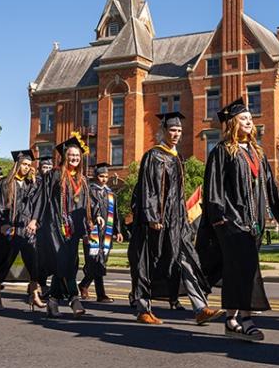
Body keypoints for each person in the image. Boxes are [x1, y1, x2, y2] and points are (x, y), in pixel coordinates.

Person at [200, 99, 279, 341]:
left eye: (250, 118)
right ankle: (247, 319)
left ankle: (230, 319)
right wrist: (219, 218)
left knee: (237, 270)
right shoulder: (222, 151)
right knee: (248, 269)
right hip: (231, 221)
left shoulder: (257, 152)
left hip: (254, 222)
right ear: (232, 123)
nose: (249, 121)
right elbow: (214, 187)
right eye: (243, 118)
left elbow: (270, 185)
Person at [130, 112, 224, 325]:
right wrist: (152, 216)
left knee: (188, 259)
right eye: (172, 130)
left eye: (179, 130)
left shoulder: (176, 158)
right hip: (156, 220)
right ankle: (143, 308)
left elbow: (179, 194)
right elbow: (148, 189)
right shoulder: (153, 155)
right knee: (149, 262)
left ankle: (200, 308)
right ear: (163, 131)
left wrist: (183, 220)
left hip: (177, 220)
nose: (176, 134)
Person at [29, 134, 99, 318]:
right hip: (54, 225)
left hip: (73, 229)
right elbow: (42, 198)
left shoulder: (83, 180)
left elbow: (88, 204)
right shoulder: (55, 174)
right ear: (64, 156)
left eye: (77, 155)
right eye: (71, 155)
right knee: (62, 262)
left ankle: (52, 301)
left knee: (70, 263)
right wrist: (34, 220)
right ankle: (74, 300)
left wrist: (92, 220)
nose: (74, 158)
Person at [0, 149, 41, 311]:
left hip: (26, 230)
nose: (26, 167)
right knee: (4, 264)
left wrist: (34, 182)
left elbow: (35, 203)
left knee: (33, 263)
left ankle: (34, 295)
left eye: (29, 165)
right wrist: (4, 225)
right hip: (10, 230)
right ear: (17, 165)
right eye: (24, 164)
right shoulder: (6, 183)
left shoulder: (29, 184)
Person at [79, 162, 122, 304]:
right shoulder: (90, 191)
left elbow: (115, 213)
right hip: (93, 232)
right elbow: (86, 209)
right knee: (95, 262)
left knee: (101, 262)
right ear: (96, 176)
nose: (104, 179)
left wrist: (118, 231)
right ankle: (100, 294)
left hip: (107, 233)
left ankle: (84, 284)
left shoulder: (111, 194)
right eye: (101, 176)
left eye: (106, 176)